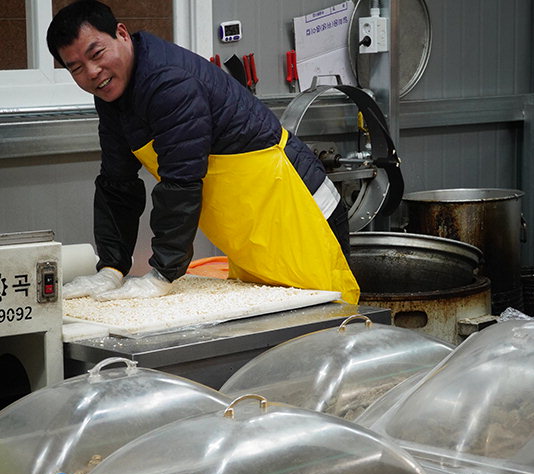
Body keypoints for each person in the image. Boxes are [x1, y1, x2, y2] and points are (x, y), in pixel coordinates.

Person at [47, 0, 359, 304]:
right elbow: (117, 184)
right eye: (76, 68)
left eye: (97, 53)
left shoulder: (168, 82)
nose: (92, 72)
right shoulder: (112, 93)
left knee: (325, 314)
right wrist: (111, 268)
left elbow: (180, 181)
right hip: (250, 229)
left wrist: (163, 274)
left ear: (122, 34)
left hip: (297, 205)